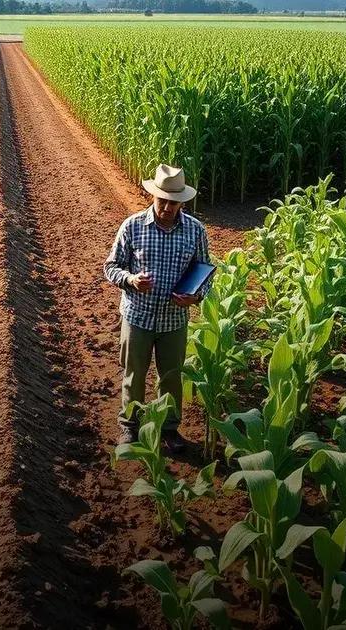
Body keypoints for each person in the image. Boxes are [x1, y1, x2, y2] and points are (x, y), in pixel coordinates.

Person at [104, 164, 212, 453]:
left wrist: (195, 297)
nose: (166, 207)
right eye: (162, 200)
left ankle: (169, 428)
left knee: (171, 376)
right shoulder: (133, 226)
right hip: (137, 316)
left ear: (182, 203)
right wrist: (130, 280)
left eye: (172, 203)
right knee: (134, 373)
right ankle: (130, 425)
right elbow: (111, 267)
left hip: (174, 320)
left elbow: (205, 273)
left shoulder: (195, 231)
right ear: (153, 196)